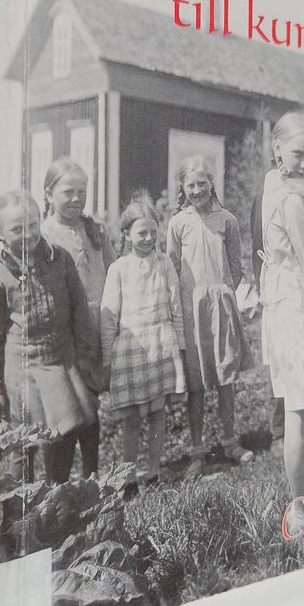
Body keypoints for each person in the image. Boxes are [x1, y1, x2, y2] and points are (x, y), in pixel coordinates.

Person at [0, 191, 98, 484]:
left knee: (67, 429)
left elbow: (79, 309)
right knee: (24, 439)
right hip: (22, 365)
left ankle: (56, 492)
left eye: (32, 225)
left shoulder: (59, 258)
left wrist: (84, 357)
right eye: (17, 229)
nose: (27, 234)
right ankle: (19, 503)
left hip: (59, 358)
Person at [259, 112, 304, 535]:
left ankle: (303, 500)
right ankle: (300, 512)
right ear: (277, 148)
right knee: (302, 409)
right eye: (298, 154)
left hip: (279, 302)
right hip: (297, 306)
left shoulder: (272, 183)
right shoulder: (290, 200)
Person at [167, 156, 254, 478]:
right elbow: (173, 268)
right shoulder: (178, 223)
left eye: (201, 183)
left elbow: (236, 266)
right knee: (197, 383)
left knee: (226, 376)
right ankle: (197, 451)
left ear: (211, 183)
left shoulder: (227, 220)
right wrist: (185, 303)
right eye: (190, 185)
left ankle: (230, 442)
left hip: (221, 307)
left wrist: (225, 295)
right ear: (182, 187)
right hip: (192, 310)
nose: (196, 190)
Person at [101, 194, 186, 498]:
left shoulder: (164, 263)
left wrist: (180, 344)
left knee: (157, 413)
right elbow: (108, 316)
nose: (149, 238)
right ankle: (128, 475)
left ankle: (153, 470)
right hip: (131, 349)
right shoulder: (119, 268)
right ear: (126, 234)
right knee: (132, 418)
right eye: (141, 233)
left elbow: (176, 306)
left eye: (153, 232)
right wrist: (108, 357)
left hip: (161, 344)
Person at [41, 156, 116, 478]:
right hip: (63, 332)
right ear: (49, 194)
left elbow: (113, 272)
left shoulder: (94, 230)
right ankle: (56, 482)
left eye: (82, 192)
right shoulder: (43, 236)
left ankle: (91, 477)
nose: (76, 198)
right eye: (68, 192)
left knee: (91, 404)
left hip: (95, 326)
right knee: (64, 409)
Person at [250, 190, 284, 450]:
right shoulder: (264, 197)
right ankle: (279, 430)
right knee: (277, 360)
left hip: (301, 288)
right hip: (274, 290)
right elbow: (257, 248)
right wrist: (263, 290)